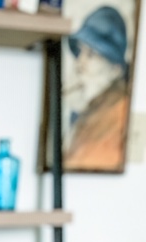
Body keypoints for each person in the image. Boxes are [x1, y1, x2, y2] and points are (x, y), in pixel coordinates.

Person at [63, 5, 131, 171]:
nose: (79, 64)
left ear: (116, 69)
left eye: (91, 55)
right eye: (80, 52)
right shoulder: (87, 112)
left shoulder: (117, 115)